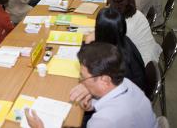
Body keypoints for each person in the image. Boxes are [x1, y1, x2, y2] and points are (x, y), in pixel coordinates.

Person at [26, 42, 158, 128]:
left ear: (105, 80)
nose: (81, 81)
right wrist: (92, 103)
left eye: (83, 77)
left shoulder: (105, 120)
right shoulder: (125, 82)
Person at [85, 7, 146, 90]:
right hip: (133, 88)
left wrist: (88, 45)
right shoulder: (122, 39)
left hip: (125, 96)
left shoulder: (113, 58)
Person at [108, 0, 162, 65]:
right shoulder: (137, 13)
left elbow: (112, 49)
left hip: (141, 64)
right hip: (146, 54)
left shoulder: (125, 26)